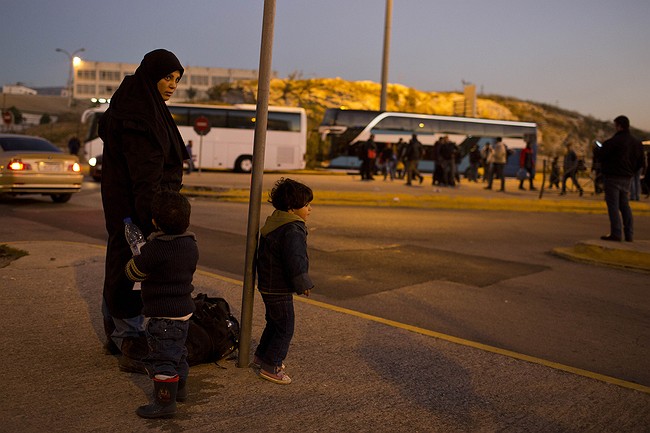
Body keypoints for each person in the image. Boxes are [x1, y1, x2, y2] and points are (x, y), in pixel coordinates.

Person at [99, 49, 189, 373]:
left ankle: (117, 331)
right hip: (137, 209)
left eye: (177, 79)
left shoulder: (137, 104)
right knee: (132, 265)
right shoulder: (140, 116)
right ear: (151, 75)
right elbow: (144, 175)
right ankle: (128, 336)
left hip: (124, 206)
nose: (172, 84)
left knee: (119, 259)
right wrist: (155, 217)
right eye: (168, 77)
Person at [125, 190, 198, 418]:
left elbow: (133, 272)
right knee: (178, 352)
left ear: (155, 221)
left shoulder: (155, 249)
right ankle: (181, 389)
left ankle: (165, 402)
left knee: (163, 359)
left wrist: (135, 258)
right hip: (184, 311)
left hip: (163, 316)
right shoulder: (190, 244)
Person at [253, 178, 314, 385]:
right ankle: (272, 365)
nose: (310, 209)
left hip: (267, 284)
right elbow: (295, 259)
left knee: (274, 322)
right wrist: (302, 282)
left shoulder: (275, 221)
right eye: (306, 205)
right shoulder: (293, 229)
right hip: (279, 286)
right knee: (286, 326)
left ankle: (262, 355)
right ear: (291, 207)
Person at [593, 115, 644, 242]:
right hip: (627, 178)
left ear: (619, 126)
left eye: (615, 125)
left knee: (613, 206)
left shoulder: (613, 142)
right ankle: (629, 234)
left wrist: (596, 149)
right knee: (625, 205)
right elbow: (641, 162)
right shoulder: (636, 143)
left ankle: (616, 233)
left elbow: (601, 156)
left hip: (612, 177)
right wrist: (631, 171)